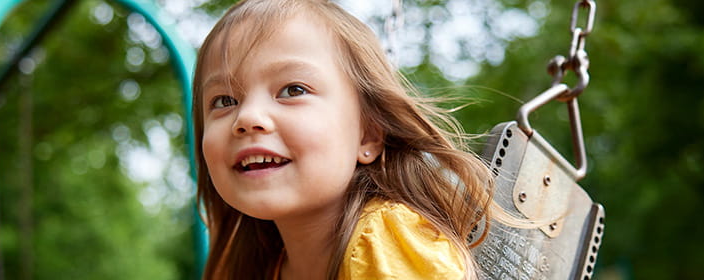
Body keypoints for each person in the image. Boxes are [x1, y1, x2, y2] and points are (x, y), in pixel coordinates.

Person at [192, 0, 496, 279]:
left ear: (368, 135)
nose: (248, 118)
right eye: (224, 100)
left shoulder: (386, 240)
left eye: (293, 90)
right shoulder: (259, 267)